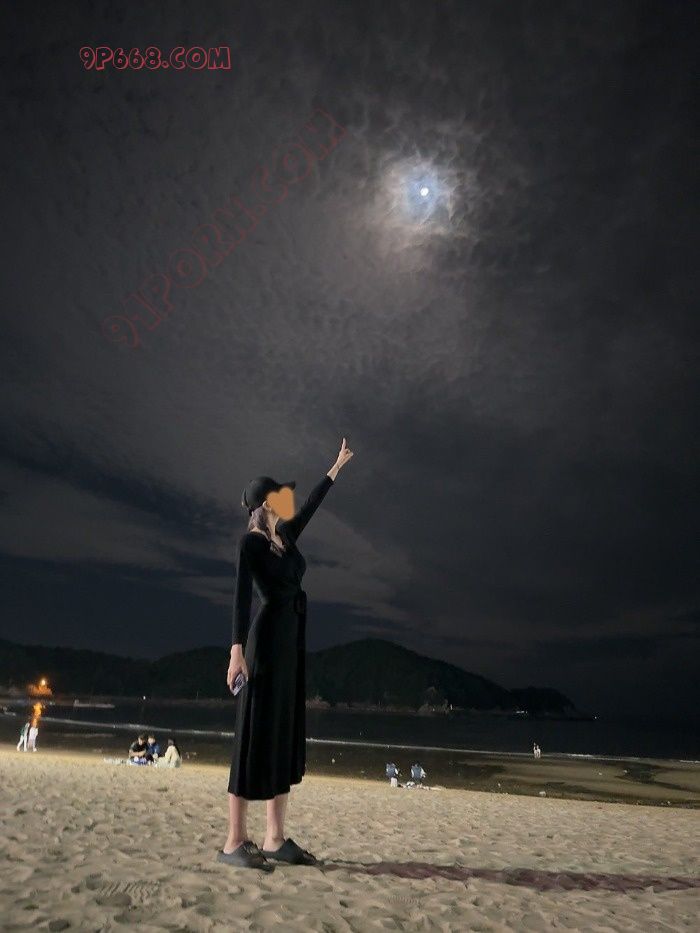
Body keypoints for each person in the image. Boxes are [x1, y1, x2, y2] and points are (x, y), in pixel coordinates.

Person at [221, 438, 353, 871]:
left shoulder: (286, 538)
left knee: (281, 733)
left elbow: (311, 504)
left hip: (291, 645)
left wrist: (334, 469)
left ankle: (274, 837)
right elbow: (241, 598)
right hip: (264, 645)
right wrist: (236, 652)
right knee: (252, 735)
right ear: (264, 504)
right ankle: (234, 840)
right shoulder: (251, 544)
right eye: (278, 497)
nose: (286, 501)